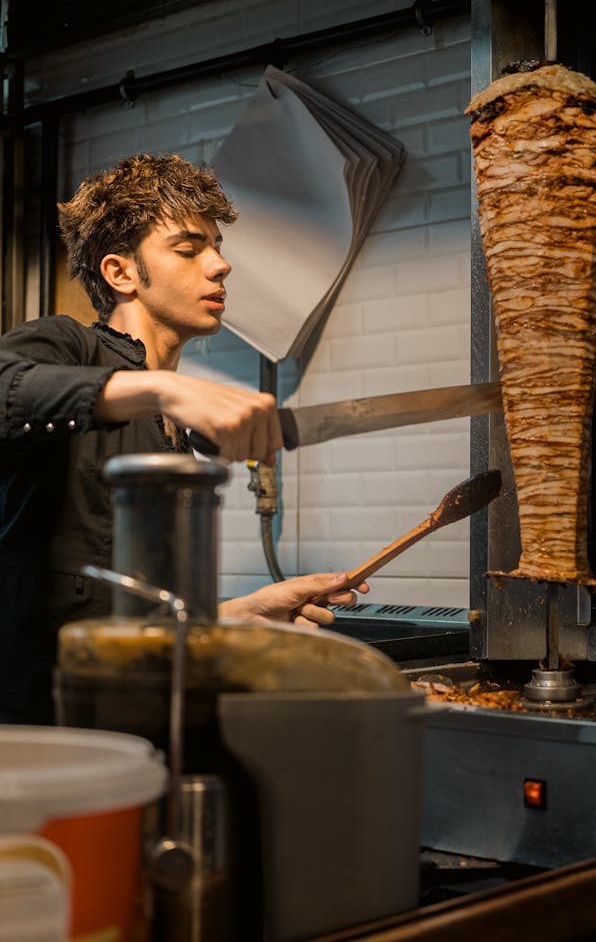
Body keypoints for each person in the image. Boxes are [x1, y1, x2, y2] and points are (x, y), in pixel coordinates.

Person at [0, 153, 366, 724]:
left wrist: (233, 615)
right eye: (189, 249)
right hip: (46, 733)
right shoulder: (67, 344)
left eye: (217, 248)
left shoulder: (171, 433)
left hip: (138, 717)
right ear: (120, 273)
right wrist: (164, 392)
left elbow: (131, 614)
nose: (220, 266)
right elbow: (6, 390)